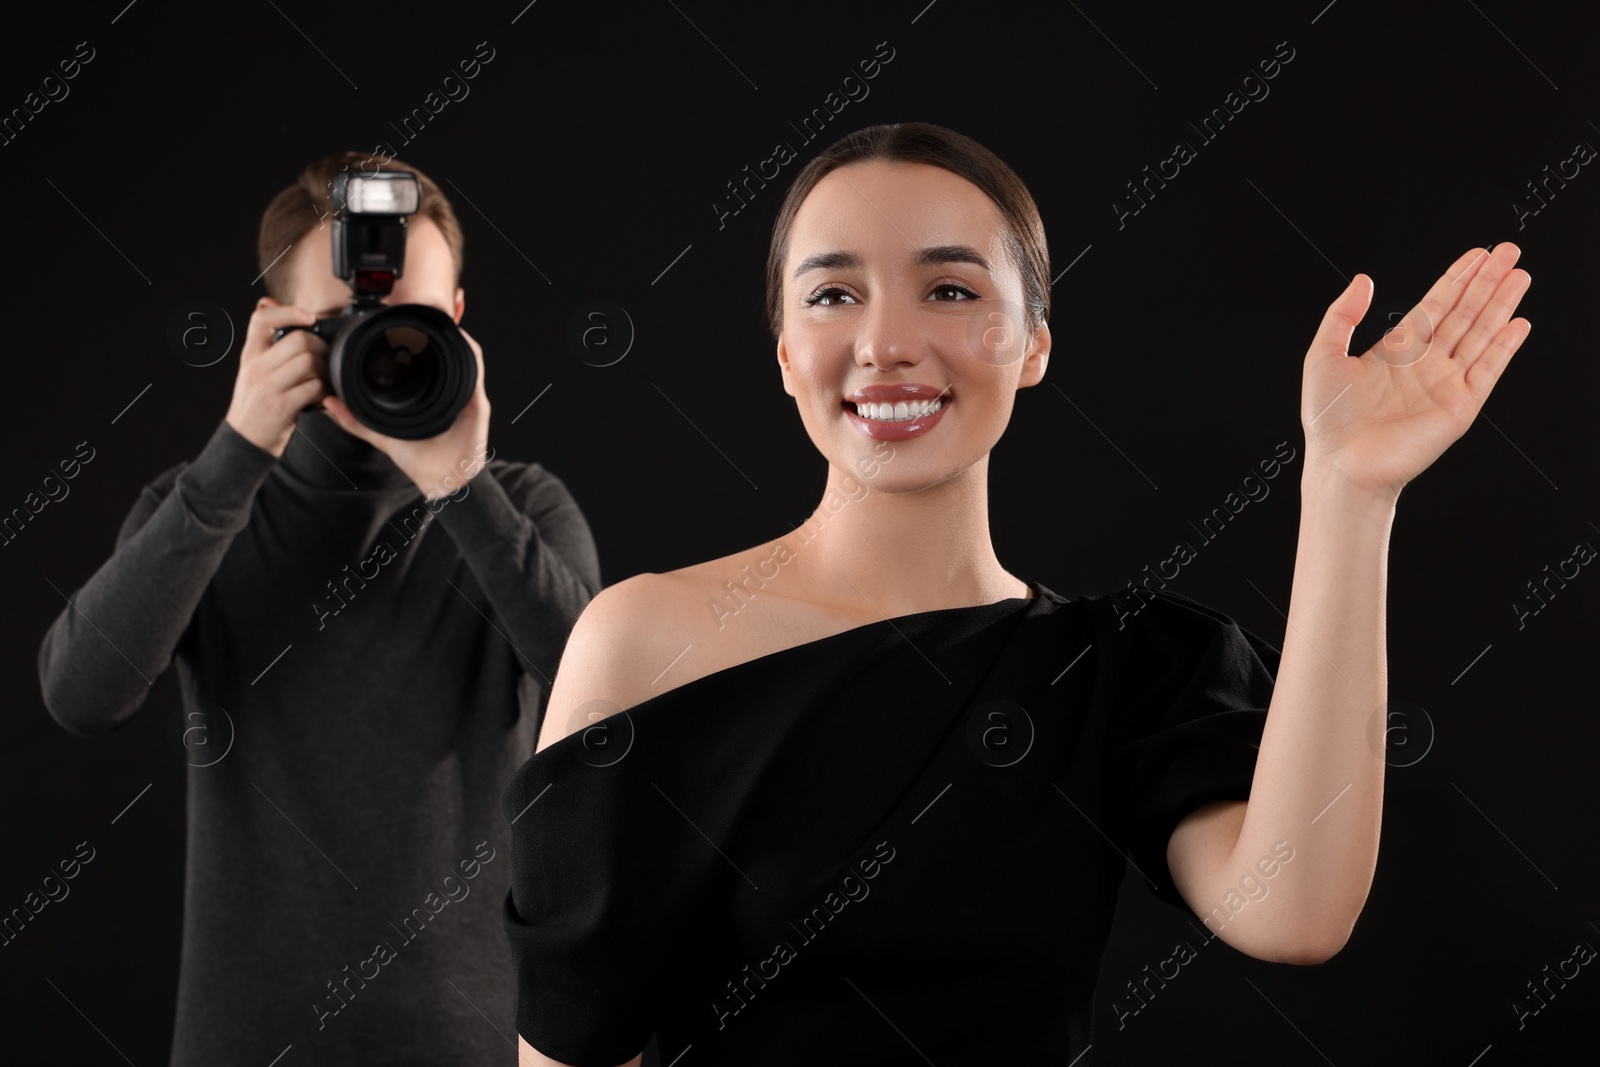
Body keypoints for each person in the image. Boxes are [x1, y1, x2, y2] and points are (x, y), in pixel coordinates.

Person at [499, 121, 1533, 1066]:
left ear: (1033, 341)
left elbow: (1296, 911)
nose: (886, 341)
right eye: (833, 292)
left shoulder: (1115, 668)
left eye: (949, 290)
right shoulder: (647, 642)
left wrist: (1350, 494)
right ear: (783, 349)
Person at [37, 150, 603, 1065]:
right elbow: (80, 693)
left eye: (411, 320)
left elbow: (599, 701)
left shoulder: (523, 505)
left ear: (458, 321)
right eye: (346, 323)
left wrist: (462, 488)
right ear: (275, 328)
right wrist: (235, 452)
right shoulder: (202, 506)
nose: (384, 348)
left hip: (471, 1043)